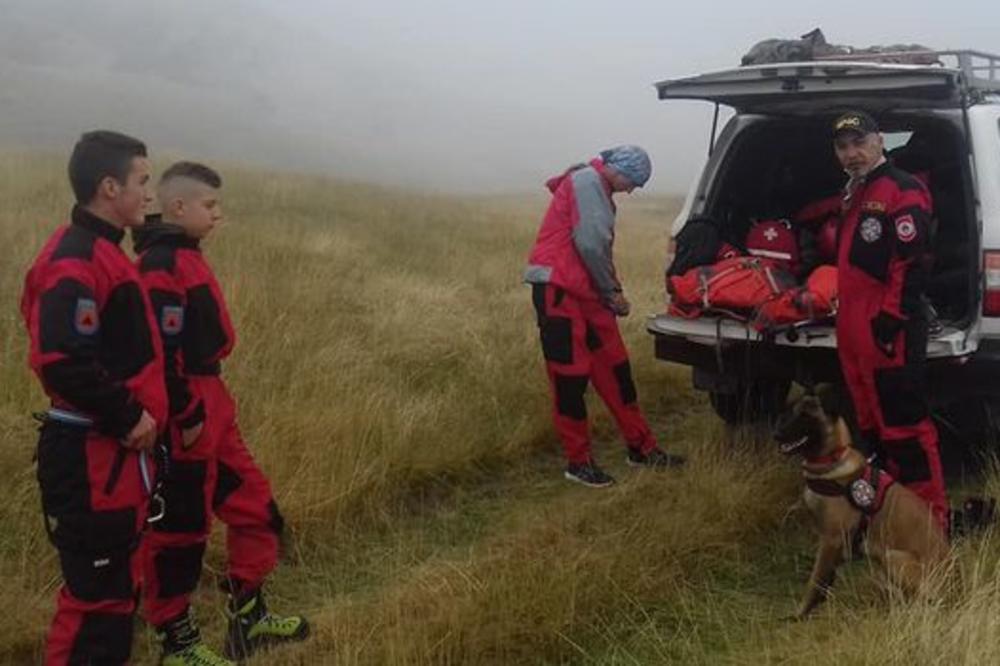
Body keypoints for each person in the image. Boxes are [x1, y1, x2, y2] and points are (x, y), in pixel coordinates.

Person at [133, 161, 308, 664]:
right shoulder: (160, 265)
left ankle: (250, 620)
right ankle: (177, 644)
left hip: (214, 407)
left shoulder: (185, 255)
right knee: (179, 532)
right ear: (178, 206)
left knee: (255, 505)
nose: (218, 215)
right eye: (209, 206)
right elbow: (161, 356)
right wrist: (186, 416)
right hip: (187, 413)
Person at [20, 130, 167, 665]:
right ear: (110, 187)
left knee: (112, 598)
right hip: (90, 459)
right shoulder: (74, 258)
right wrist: (129, 414)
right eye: (142, 181)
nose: (149, 195)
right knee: (94, 606)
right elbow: (61, 359)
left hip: (111, 458)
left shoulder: (104, 252)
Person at [523, 145, 685, 487]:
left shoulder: (595, 185)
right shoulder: (587, 182)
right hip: (560, 291)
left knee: (616, 370)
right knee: (570, 378)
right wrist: (612, 292)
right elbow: (592, 243)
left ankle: (642, 447)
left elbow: (592, 247)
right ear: (617, 169)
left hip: (587, 293)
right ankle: (578, 462)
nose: (631, 190)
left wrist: (606, 291)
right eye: (632, 182)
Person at [830, 110, 949, 531]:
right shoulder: (852, 191)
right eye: (843, 147)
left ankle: (931, 524)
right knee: (868, 423)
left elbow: (912, 261)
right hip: (853, 328)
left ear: (879, 141)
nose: (851, 153)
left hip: (887, 327)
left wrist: (891, 317)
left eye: (859, 143)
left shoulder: (902, 189)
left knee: (904, 425)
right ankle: (889, 512)